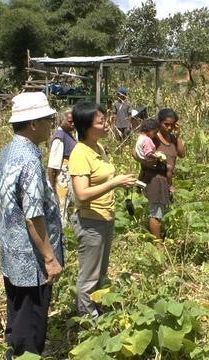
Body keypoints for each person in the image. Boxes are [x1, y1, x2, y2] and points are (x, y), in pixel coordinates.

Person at [0, 92, 64, 357]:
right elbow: (33, 215)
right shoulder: (30, 161)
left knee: (18, 314)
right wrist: (49, 258)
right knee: (32, 323)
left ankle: (15, 352)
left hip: (13, 252)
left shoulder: (8, 151)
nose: (50, 124)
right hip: (31, 260)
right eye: (47, 119)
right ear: (34, 124)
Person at [69, 101, 136, 317]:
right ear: (86, 127)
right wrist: (114, 183)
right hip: (90, 221)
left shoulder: (97, 147)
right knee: (89, 277)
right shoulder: (80, 153)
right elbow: (81, 193)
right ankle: (89, 322)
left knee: (100, 273)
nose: (107, 124)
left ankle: (98, 312)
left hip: (105, 217)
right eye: (101, 122)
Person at [133, 108, 185, 239]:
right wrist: (150, 164)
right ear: (159, 123)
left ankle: (160, 238)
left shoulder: (173, 138)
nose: (169, 127)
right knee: (156, 213)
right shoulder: (153, 138)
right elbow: (135, 153)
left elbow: (182, 154)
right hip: (154, 179)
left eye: (172, 125)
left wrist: (178, 136)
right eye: (166, 124)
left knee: (161, 212)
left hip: (166, 180)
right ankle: (158, 243)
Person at [47, 108, 76, 226]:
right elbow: (53, 165)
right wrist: (52, 186)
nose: (73, 124)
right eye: (70, 121)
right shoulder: (59, 137)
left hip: (69, 175)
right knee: (62, 206)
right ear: (61, 121)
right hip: (63, 176)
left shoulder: (68, 134)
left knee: (68, 205)